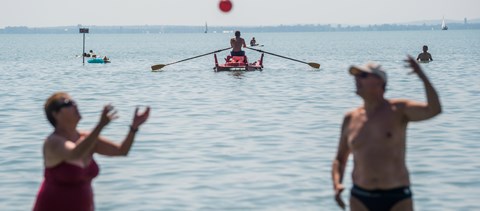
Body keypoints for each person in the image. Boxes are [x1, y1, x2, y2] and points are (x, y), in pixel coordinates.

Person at [332, 56, 441, 211]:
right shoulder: (350, 117)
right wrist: (337, 184)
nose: (356, 79)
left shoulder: (398, 110)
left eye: (362, 76)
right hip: (360, 196)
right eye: (355, 76)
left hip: (396, 197)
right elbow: (339, 159)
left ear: (379, 82)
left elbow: (434, 110)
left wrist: (422, 77)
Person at [33, 92, 150, 211]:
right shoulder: (53, 142)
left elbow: (122, 150)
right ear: (56, 114)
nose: (75, 105)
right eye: (68, 103)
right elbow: (74, 154)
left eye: (74, 102)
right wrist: (100, 125)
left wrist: (134, 127)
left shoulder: (88, 139)